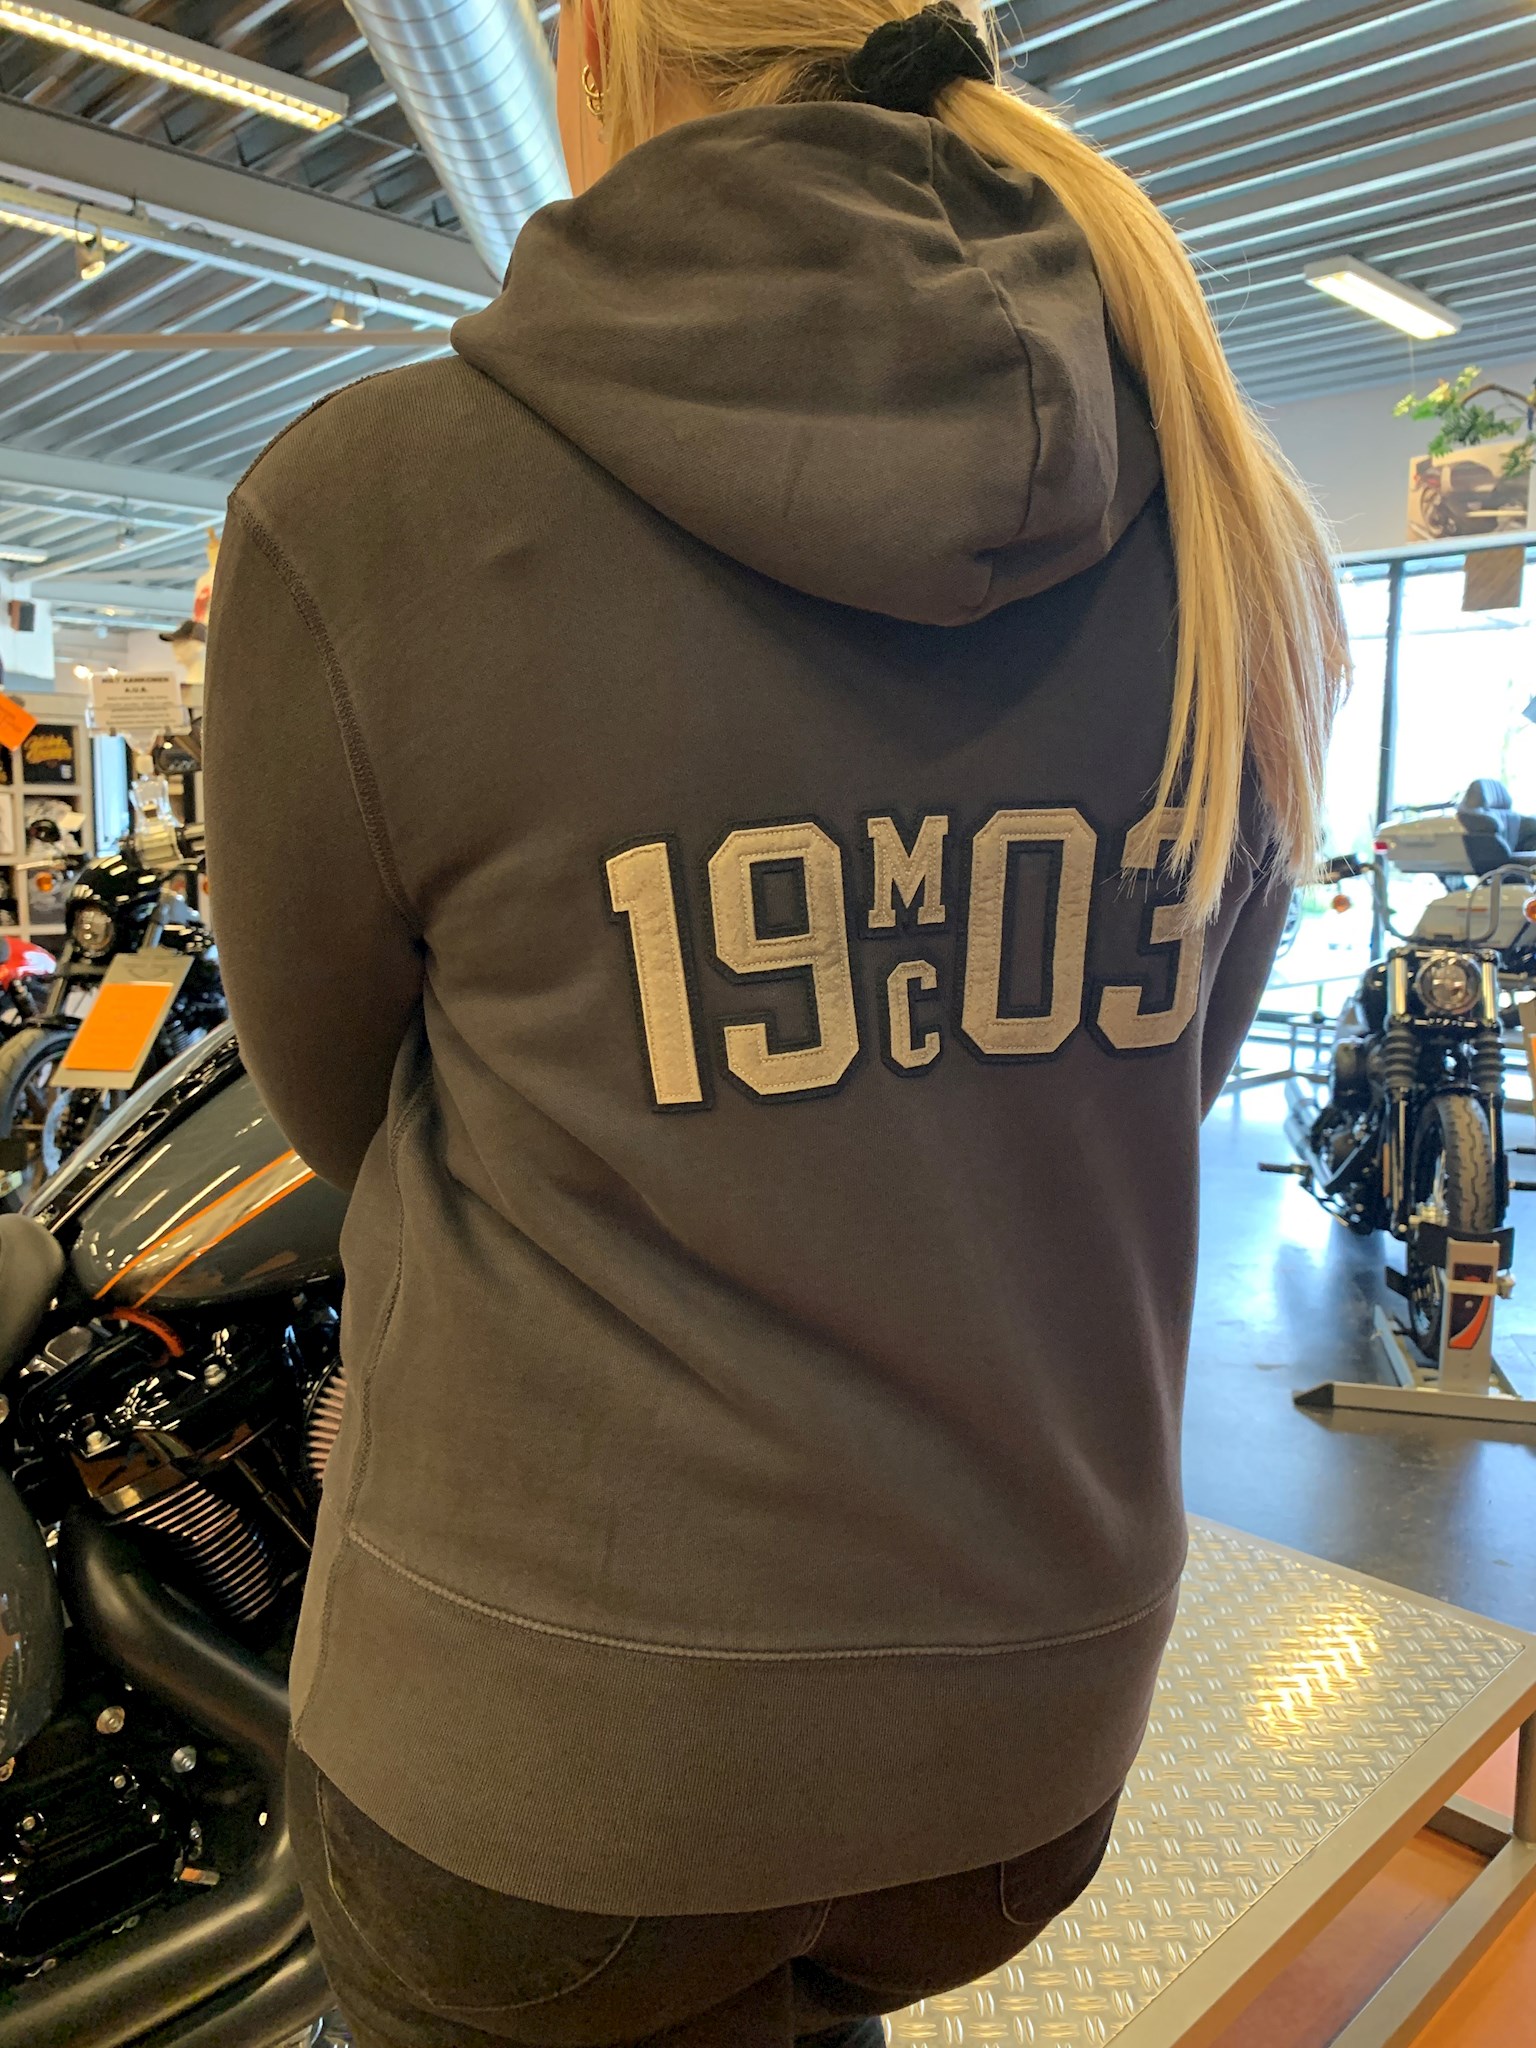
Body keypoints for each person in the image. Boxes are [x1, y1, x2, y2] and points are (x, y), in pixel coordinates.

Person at [203, 3, 1346, 2043]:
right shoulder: (1228, 509)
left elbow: (339, 1103)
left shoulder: (366, 503)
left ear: (596, 47)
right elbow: (1157, 1074)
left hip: (553, 1760)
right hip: (1020, 1744)